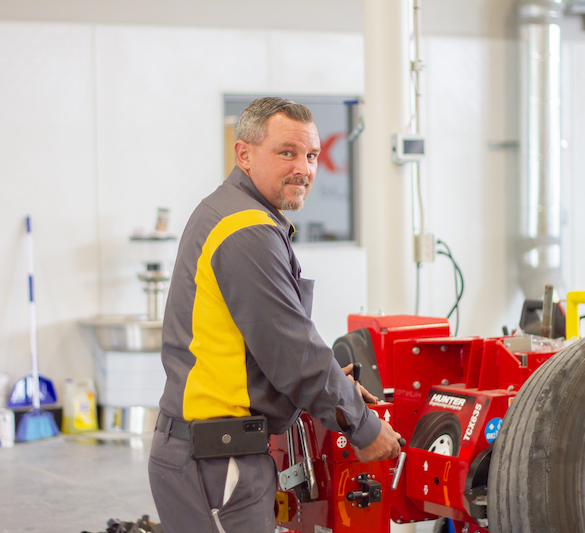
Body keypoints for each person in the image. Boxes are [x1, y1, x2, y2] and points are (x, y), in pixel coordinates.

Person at [148, 97, 402, 533]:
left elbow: (259, 346)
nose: (304, 168)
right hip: (218, 462)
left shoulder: (229, 212)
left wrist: (339, 388)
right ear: (244, 154)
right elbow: (295, 352)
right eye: (287, 153)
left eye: (312, 155)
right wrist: (362, 427)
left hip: (210, 455)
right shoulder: (244, 230)